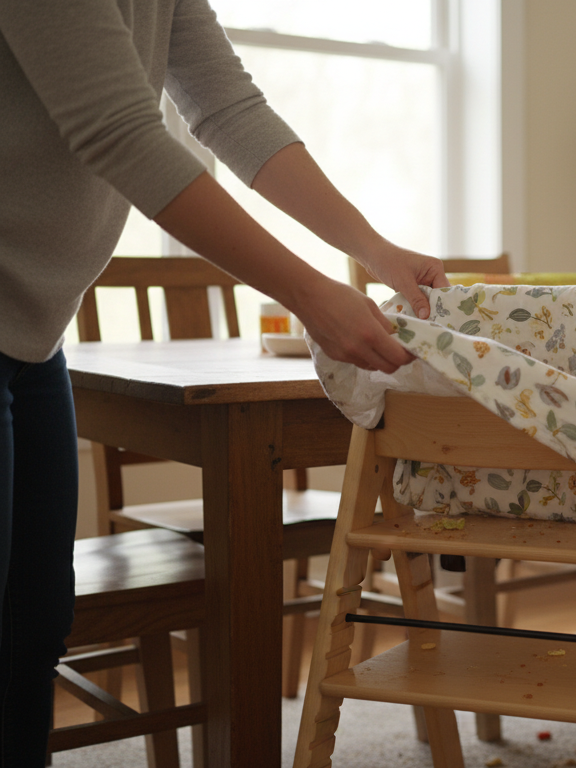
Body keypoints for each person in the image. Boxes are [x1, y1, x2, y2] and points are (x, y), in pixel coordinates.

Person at [0, 2, 447, 763]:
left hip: (31, 336)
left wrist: (371, 248)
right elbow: (120, 130)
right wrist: (309, 293)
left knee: (32, 629)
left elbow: (227, 105)